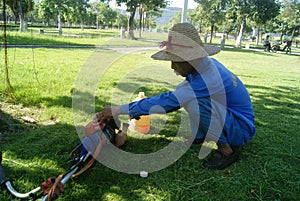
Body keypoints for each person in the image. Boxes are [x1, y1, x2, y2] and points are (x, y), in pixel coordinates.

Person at [95, 23, 256, 170]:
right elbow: (177, 94)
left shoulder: (208, 78)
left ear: (190, 60)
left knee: (194, 102)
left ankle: (225, 150)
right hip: (232, 119)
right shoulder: (204, 66)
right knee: (186, 93)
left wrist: (119, 109)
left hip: (240, 129)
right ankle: (199, 136)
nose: (173, 66)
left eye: (176, 61)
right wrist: (136, 109)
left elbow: (170, 101)